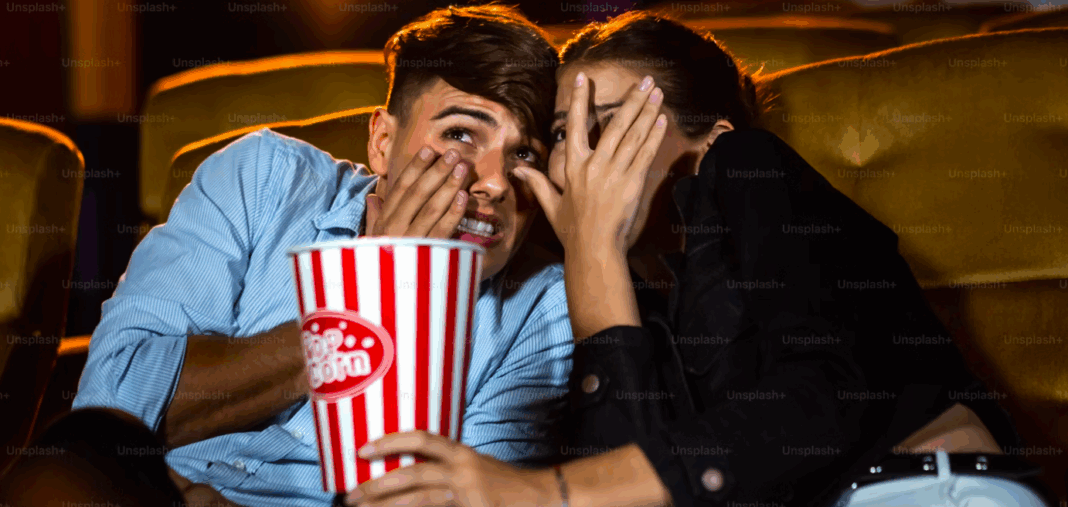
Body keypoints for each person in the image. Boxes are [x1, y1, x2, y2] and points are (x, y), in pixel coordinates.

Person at [344, 11, 1056, 507]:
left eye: (609, 123)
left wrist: (545, 493)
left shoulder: (749, 169)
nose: (580, 156)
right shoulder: (605, 284)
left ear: (708, 137)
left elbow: (828, 395)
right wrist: (596, 269)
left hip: (924, 486)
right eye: (562, 134)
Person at [46, 5, 573, 507]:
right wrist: (370, 293)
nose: (497, 183)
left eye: (523, 154)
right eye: (460, 134)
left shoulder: (543, 304)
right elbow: (107, 408)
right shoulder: (261, 177)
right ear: (383, 142)